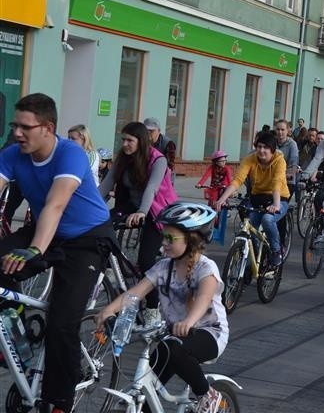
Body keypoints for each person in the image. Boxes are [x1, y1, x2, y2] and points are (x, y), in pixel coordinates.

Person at [0, 93, 117, 413]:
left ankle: (59, 401)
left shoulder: (70, 154)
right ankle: (18, 337)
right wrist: (34, 245)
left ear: (48, 128)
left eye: (25, 127)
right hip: (43, 231)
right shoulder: (13, 155)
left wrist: (34, 250)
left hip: (86, 239)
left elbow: (56, 204)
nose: (18, 133)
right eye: (15, 125)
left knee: (62, 321)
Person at [95, 202, 229, 413]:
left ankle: (207, 394)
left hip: (209, 333)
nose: (162, 244)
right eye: (162, 237)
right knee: (147, 386)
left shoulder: (206, 268)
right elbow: (135, 293)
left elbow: (204, 298)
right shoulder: (163, 267)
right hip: (173, 337)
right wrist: (108, 310)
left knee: (173, 348)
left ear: (191, 240)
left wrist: (188, 321)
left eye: (170, 239)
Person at [99, 121, 178, 321]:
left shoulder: (157, 160)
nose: (125, 144)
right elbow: (106, 184)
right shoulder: (122, 158)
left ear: (141, 141)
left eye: (129, 140)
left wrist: (143, 212)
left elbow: (152, 188)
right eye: (123, 140)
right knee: (100, 226)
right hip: (132, 205)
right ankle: (110, 269)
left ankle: (152, 308)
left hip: (157, 210)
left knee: (146, 261)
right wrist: (88, 205)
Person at [215, 131, 290, 267]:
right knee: (249, 227)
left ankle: (276, 250)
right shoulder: (250, 159)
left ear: (272, 150)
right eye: (259, 146)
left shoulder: (279, 161)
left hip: (279, 198)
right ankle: (253, 260)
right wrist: (222, 199)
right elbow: (238, 180)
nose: (261, 150)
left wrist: (276, 204)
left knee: (267, 220)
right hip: (258, 198)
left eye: (266, 147)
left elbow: (277, 182)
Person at [144, 117, 177, 183]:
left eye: (151, 131)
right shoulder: (141, 141)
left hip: (164, 176)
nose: (148, 133)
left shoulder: (168, 143)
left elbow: (170, 165)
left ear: (159, 131)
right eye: (146, 131)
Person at [275, 120, 299, 196]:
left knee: (282, 204)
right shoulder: (272, 142)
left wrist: (291, 173)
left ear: (287, 130)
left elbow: (294, 160)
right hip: (273, 177)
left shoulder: (292, 144)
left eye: (282, 130)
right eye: (278, 129)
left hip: (287, 178)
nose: (280, 132)